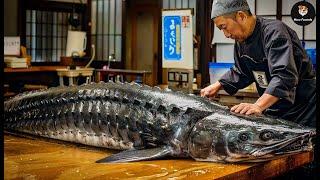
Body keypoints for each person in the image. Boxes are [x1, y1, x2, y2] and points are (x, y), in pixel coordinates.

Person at [200, 0, 316, 128]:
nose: (226, 34)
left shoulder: (274, 32)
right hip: (274, 106)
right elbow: (242, 71)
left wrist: (258, 105)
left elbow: (284, 76)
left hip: (304, 108)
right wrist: (218, 85)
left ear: (241, 16)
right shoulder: (241, 40)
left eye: (224, 27)